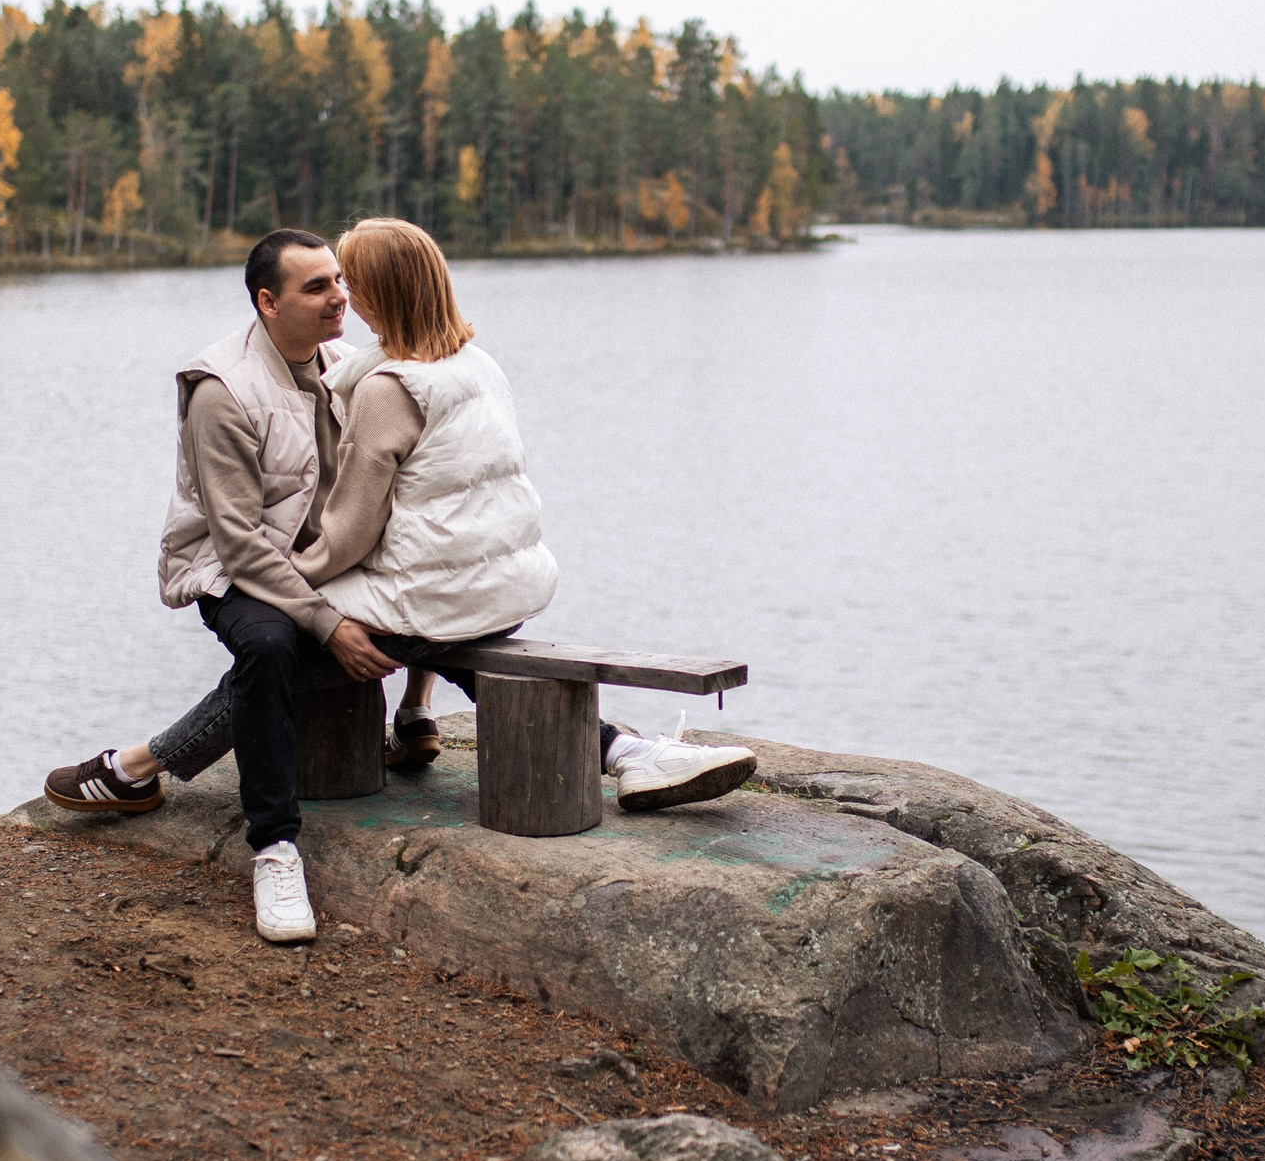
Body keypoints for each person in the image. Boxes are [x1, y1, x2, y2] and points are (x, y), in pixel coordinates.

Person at [43, 222, 756, 943]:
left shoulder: (351, 364)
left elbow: (387, 504)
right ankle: (274, 845)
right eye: (317, 286)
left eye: (342, 281)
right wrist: (328, 620)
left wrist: (385, 614)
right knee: (270, 646)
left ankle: (139, 765)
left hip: (329, 562)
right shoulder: (220, 392)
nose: (338, 298)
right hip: (240, 569)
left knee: (438, 621)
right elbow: (237, 541)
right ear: (267, 301)